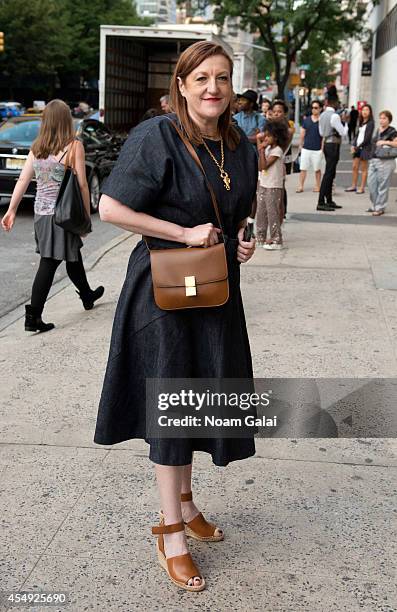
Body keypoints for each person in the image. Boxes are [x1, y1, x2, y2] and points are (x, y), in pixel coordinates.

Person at [93, 41, 257, 592]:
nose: (214, 87)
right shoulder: (156, 135)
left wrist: (239, 241)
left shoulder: (239, 144)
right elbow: (111, 208)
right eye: (202, 78)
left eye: (223, 78)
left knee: (197, 400)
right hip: (163, 293)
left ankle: (185, 506)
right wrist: (183, 233)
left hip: (214, 290)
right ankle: (169, 533)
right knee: (172, 406)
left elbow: (234, 214)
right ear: (182, 85)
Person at [1, 99, 104, 332]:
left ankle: (87, 295)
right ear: (66, 120)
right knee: (49, 262)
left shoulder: (37, 147)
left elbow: (24, 180)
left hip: (42, 215)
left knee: (72, 253)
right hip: (64, 215)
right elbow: (83, 185)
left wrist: (12, 209)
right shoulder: (73, 146)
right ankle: (33, 316)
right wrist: (86, 219)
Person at [256, 120, 290, 250]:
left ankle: (276, 240)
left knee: (272, 213)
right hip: (264, 183)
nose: (266, 137)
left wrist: (261, 150)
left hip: (274, 186)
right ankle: (261, 237)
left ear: (276, 137)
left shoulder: (277, 150)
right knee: (261, 212)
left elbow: (264, 165)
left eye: (269, 136)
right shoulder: (269, 148)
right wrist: (261, 146)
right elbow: (260, 167)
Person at [317, 91, 348, 211]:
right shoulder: (335, 116)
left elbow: (320, 132)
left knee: (330, 172)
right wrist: (345, 123)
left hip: (326, 144)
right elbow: (343, 132)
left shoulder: (322, 115)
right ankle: (321, 201)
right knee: (329, 173)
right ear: (334, 103)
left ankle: (328, 200)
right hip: (333, 145)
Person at [367, 110, 397, 216]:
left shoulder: (392, 131)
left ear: (389, 120)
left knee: (383, 185)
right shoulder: (378, 130)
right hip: (374, 160)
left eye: (384, 118)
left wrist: (385, 142)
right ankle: (375, 204)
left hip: (386, 161)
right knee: (371, 184)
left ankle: (380, 207)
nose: (382, 120)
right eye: (380, 118)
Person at [271, 99, 295, 217]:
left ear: (284, 113)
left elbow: (282, 149)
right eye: (274, 111)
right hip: (269, 160)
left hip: (281, 159)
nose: (276, 114)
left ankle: (281, 211)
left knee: (280, 186)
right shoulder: (269, 126)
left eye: (279, 111)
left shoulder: (288, 130)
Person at [345, 104, 375, 194]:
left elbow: (367, 138)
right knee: (354, 167)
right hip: (357, 147)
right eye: (363, 110)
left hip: (364, 148)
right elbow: (357, 135)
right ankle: (354, 186)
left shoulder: (371, 123)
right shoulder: (361, 122)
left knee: (364, 169)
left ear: (370, 112)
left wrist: (357, 147)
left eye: (367, 110)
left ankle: (362, 187)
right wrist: (353, 145)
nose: (364, 112)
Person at [297, 100, 323, 193]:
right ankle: (300, 186)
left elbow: (323, 136)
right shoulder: (307, 120)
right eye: (312, 108)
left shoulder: (322, 121)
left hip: (317, 149)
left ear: (320, 109)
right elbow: (302, 133)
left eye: (316, 108)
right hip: (306, 148)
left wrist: (322, 149)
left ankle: (317, 186)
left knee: (317, 169)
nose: (314, 109)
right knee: (303, 168)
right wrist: (300, 145)